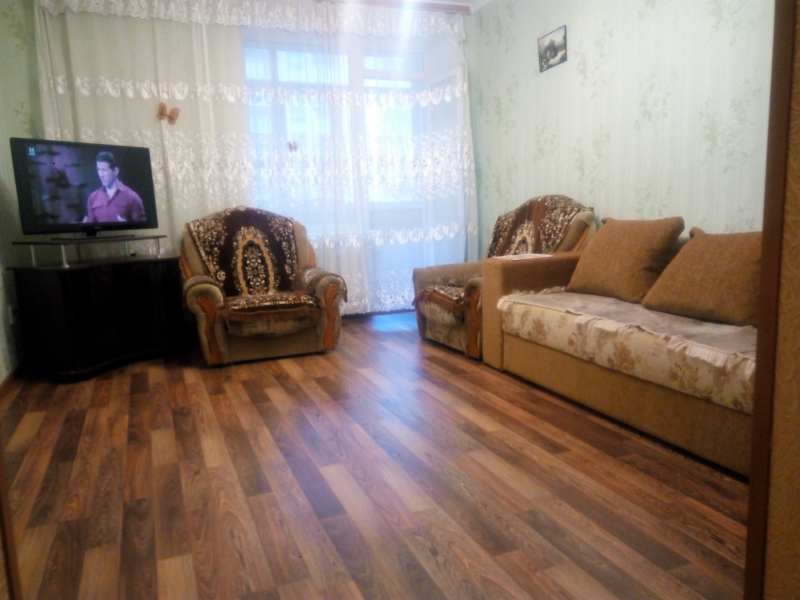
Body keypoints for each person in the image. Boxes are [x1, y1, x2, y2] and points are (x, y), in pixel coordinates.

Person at [83, 151, 146, 224]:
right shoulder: (93, 197)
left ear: (115, 171)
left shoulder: (132, 198)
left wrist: (128, 226)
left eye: (104, 170)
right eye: (98, 170)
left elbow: (142, 228)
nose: (100, 175)